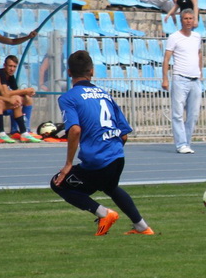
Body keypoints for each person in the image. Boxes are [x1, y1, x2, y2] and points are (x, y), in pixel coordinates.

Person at [50, 50, 154, 236]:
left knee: (58, 183)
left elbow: (75, 130)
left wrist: (68, 164)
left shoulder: (68, 97)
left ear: (69, 72)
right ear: (91, 71)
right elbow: (124, 135)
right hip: (117, 157)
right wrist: (111, 150)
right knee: (110, 187)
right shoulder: (105, 95)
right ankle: (142, 227)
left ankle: (104, 214)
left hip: (97, 160)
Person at [162, 9, 202, 154]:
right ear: (181, 20)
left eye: (191, 18)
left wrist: (200, 72)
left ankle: (187, 142)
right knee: (177, 114)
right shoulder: (174, 37)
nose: (188, 21)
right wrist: (165, 78)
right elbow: (167, 58)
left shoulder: (197, 37)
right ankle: (181, 144)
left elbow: (199, 54)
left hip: (195, 80)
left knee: (193, 114)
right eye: (186, 18)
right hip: (180, 78)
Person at [0, 55, 40, 143]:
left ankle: (26, 130)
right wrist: (25, 90)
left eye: (14, 66)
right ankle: (14, 131)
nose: (12, 69)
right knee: (16, 99)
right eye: (10, 66)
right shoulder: (0, 74)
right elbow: (5, 93)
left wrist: (27, 93)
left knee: (27, 99)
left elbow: (16, 91)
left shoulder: (11, 76)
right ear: (4, 65)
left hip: (5, 103)